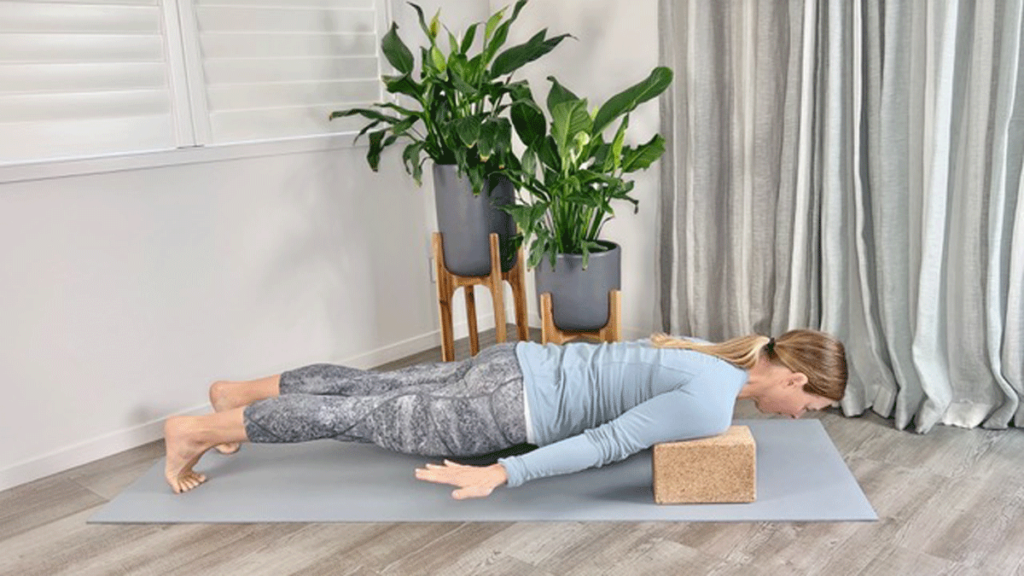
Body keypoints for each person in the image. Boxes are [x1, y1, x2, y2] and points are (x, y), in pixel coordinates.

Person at [163, 330, 847, 497]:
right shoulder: (709, 402)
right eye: (809, 403)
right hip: (506, 405)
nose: (801, 416)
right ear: (791, 376)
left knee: (371, 387)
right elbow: (605, 443)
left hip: (512, 362)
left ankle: (237, 392)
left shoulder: (714, 359)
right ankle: (196, 430)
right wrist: (503, 476)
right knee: (358, 417)